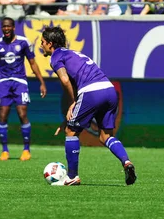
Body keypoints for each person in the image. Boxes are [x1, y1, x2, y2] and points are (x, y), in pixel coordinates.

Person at [40, 26, 137, 186]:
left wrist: (73, 102)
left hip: (91, 92)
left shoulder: (55, 56)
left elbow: (65, 80)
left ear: (50, 44)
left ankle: (72, 177)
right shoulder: (74, 54)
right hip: (109, 89)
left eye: (43, 42)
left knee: (71, 132)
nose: (41, 45)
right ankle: (126, 162)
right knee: (105, 136)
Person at [0, 18, 47, 161]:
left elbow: (32, 63)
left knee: (22, 113)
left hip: (20, 82)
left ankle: (26, 149)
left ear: (13, 28)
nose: (6, 29)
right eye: (3, 27)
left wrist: (41, 82)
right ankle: (5, 150)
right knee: (3, 115)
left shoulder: (23, 42)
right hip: (4, 82)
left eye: (8, 26)